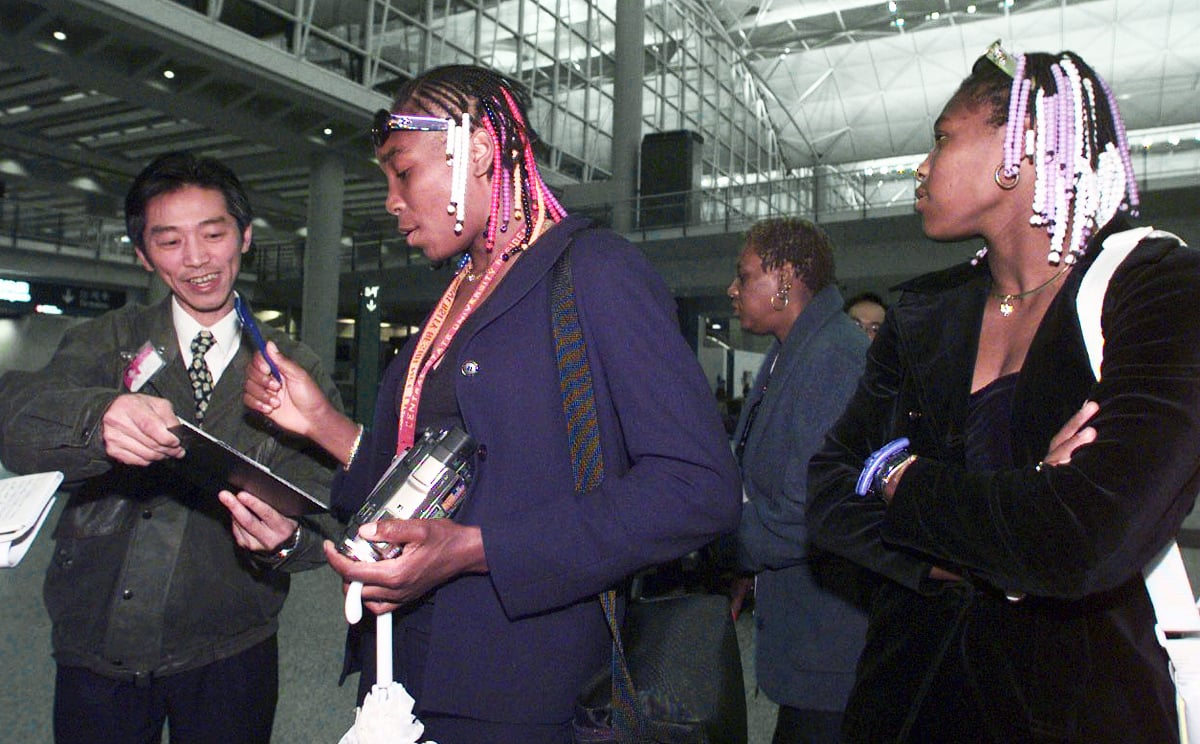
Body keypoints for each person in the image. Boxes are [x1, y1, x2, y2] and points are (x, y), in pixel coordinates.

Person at [239, 64, 741, 743]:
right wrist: (321, 426)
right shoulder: (454, 297)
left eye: (403, 172)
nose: (390, 200)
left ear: (475, 149)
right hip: (407, 666)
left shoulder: (594, 272)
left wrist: (480, 550)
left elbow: (698, 487)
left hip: (525, 685)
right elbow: (416, 478)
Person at [807, 40, 1200, 743]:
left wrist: (901, 479)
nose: (920, 168)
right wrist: (1022, 502)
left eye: (942, 138)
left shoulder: (1157, 287)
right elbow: (830, 495)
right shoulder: (925, 310)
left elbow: (1086, 537)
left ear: (1018, 139)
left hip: (1079, 707)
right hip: (906, 702)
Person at [0, 151, 343, 744]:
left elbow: (327, 512)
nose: (198, 260)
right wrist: (97, 416)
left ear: (245, 237)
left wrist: (286, 544)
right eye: (170, 241)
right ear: (142, 254)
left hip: (231, 646)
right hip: (95, 642)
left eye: (213, 234)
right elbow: (16, 421)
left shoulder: (295, 369)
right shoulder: (103, 341)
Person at [726, 217, 873, 743]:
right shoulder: (792, 350)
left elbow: (804, 513)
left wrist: (722, 549)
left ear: (785, 277)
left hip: (832, 647)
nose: (733, 289)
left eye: (744, 276)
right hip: (803, 634)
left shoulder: (834, 356)